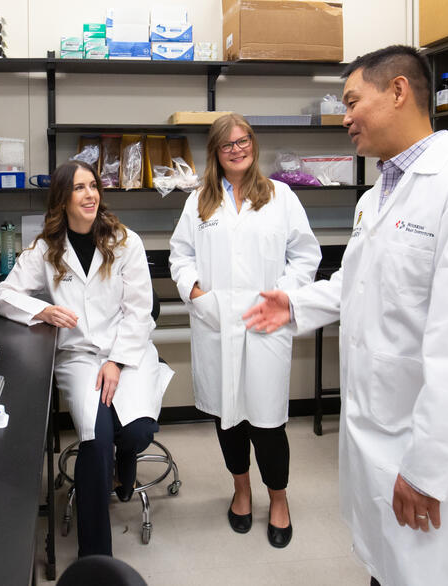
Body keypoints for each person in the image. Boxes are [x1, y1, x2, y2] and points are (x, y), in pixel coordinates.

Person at [242, 45, 448, 585]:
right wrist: (297, 303)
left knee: (427, 574)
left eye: (352, 101)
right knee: (387, 570)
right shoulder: (379, 195)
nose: (344, 116)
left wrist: (428, 471)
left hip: (431, 462)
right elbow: (363, 283)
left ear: (398, 91)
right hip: (382, 439)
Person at [0, 160, 173, 558]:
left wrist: (117, 361)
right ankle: (96, 558)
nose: (90, 194)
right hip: (79, 356)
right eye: (79, 188)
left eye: (94, 186)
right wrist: (41, 311)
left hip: (128, 350)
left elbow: (140, 311)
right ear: (62, 199)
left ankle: (125, 460)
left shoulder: (126, 241)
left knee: (137, 432)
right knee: (96, 438)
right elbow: (1, 296)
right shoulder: (46, 249)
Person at [169, 113, 321, 548]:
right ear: (216, 153)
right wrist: (196, 292)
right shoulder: (199, 200)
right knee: (227, 416)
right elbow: (180, 256)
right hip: (217, 323)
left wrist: (284, 296)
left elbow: (305, 256)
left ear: (253, 145)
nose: (237, 149)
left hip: (265, 324)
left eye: (243, 141)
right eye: (227, 144)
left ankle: (278, 499)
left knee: (268, 422)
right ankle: (240, 490)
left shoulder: (282, 196)